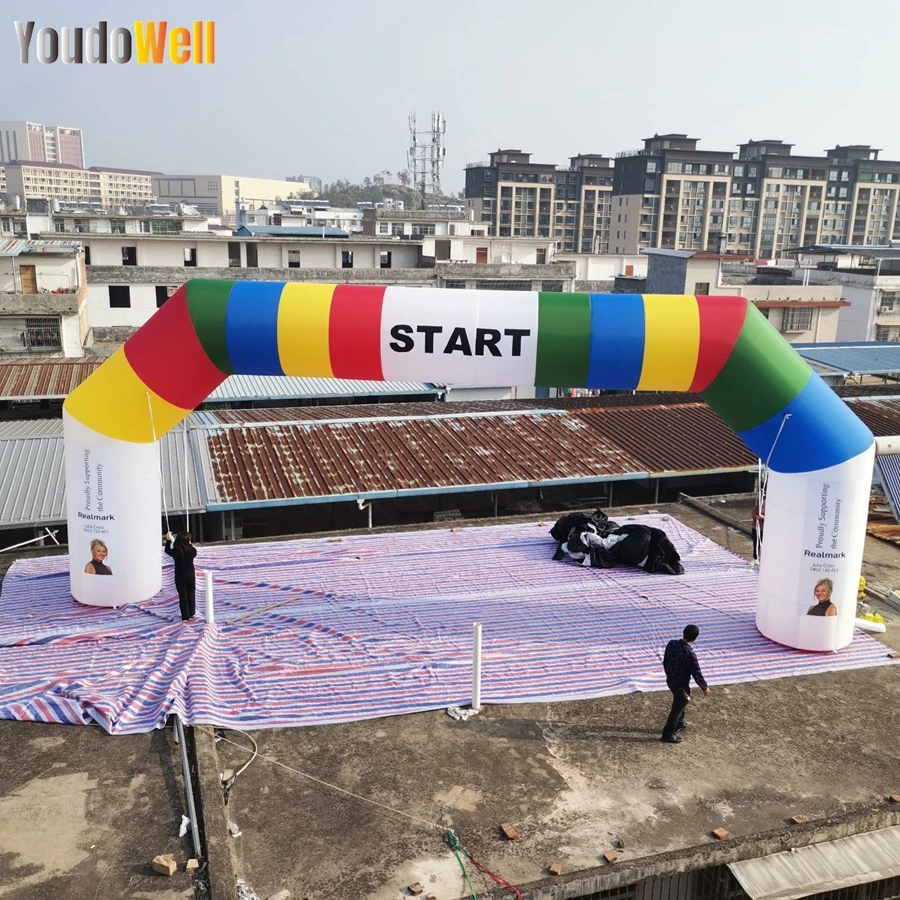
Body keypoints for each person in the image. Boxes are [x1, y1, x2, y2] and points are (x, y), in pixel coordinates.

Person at [660, 624, 710, 744]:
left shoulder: (671, 644)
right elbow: (696, 672)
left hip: (671, 680)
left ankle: (679, 723)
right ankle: (668, 734)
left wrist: (669, 674)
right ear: (695, 638)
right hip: (680, 684)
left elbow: (665, 661)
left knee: (681, 701)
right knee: (679, 705)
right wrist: (705, 687)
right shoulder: (690, 653)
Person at [165, 531, 197, 621]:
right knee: (191, 594)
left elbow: (167, 550)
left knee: (183, 596)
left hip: (180, 577)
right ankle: (191, 612)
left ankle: (185, 616)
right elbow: (191, 549)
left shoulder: (176, 552)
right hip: (190, 576)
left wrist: (169, 540)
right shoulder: (192, 551)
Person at [751, 501, 765, 566]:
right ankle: (755, 558)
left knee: (761, 544)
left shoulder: (770, 508)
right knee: (756, 544)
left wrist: (762, 517)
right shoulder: (757, 506)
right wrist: (756, 516)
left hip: (763, 529)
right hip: (756, 528)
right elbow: (753, 513)